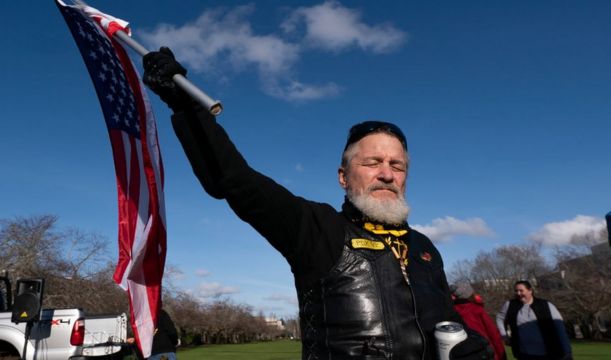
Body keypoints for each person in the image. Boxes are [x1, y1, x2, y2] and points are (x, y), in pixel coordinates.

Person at [142, 47, 491, 359]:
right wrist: (185, 105)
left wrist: (469, 342)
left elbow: (446, 319)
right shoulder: (317, 228)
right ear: (343, 176)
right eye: (372, 163)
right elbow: (234, 180)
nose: (386, 174)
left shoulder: (424, 247)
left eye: (396, 165)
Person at [496, 280, 572, 360]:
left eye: (521, 291)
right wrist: (504, 335)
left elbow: (560, 328)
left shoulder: (546, 305)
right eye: (516, 291)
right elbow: (499, 318)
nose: (518, 294)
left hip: (548, 352)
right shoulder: (509, 305)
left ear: (530, 291)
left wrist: (567, 351)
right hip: (523, 353)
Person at [452, 283, 506, 360]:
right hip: (484, 351)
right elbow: (493, 334)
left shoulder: (451, 313)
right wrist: (502, 355)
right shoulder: (477, 310)